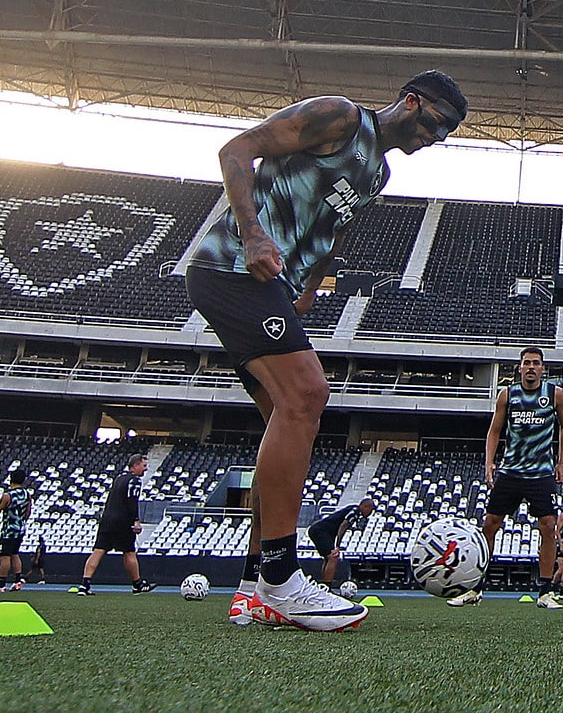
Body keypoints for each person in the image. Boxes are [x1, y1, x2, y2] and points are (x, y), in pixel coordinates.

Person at [184, 70, 464, 630]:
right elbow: (237, 149)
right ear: (410, 101)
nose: (436, 138)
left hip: (275, 289)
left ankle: (250, 586)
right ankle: (282, 580)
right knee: (308, 395)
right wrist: (253, 232)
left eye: (448, 133)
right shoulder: (339, 116)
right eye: (436, 123)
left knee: (282, 420)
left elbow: (331, 232)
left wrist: (310, 286)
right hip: (232, 266)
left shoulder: (377, 173)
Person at [468, 345, 563, 609]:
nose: (531, 367)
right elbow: (494, 430)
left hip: (540, 473)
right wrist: (489, 462)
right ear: (519, 367)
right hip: (511, 470)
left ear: (543, 369)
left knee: (548, 527)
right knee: (490, 524)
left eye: (536, 363)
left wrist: (561, 460)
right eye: (527, 363)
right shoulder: (507, 395)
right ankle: (475, 587)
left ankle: (545, 592)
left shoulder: (554, 394)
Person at [74, 452, 156, 594]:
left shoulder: (119, 478)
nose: (146, 469)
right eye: (144, 466)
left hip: (107, 520)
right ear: (135, 466)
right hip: (122, 522)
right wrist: (136, 520)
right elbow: (132, 500)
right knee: (129, 552)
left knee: (98, 551)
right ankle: (137, 584)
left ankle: (84, 584)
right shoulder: (134, 480)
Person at [0, 469, 34, 593]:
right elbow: (28, 512)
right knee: (15, 554)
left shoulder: (7, 495)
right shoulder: (27, 494)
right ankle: (17, 581)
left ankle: (1, 584)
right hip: (20, 528)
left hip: (8, 529)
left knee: (4, 556)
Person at [306, 496, 375, 590]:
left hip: (319, 531)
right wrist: (337, 545)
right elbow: (343, 526)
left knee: (328, 559)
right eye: (370, 510)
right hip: (321, 531)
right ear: (365, 506)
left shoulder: (353, 509)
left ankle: (324, 586)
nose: (370, 513)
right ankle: (327, 587)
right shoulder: (355, 512)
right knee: (333, 558)